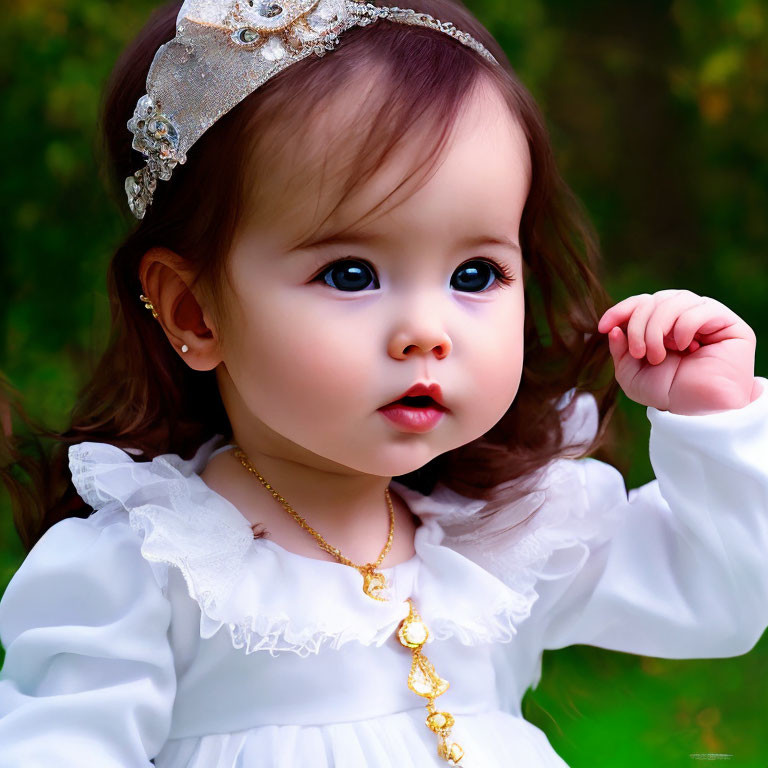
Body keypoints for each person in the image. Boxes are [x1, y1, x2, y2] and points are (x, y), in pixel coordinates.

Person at [0, 0, 766, 766]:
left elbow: (723, 599)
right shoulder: (151, 572)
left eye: (476, 273)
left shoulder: (498, 537)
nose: (427, 330)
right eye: (351, 274)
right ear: (195, 312)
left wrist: (713, 418)